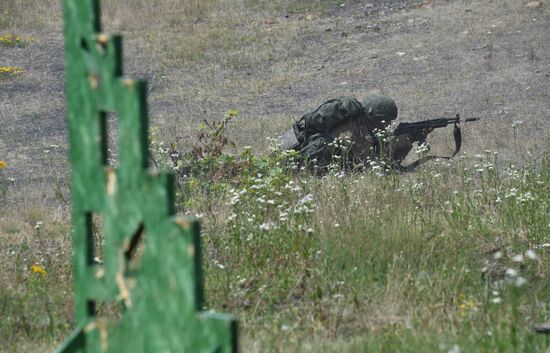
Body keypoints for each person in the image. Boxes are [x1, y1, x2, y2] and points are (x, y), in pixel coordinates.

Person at [280, 94, 431, 172]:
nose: (388, 125)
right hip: (300, 166)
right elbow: (377, 168)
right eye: (386, 121)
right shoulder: (353, 134)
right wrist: (405, 140)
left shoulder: (362, 124)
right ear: (376, 119)